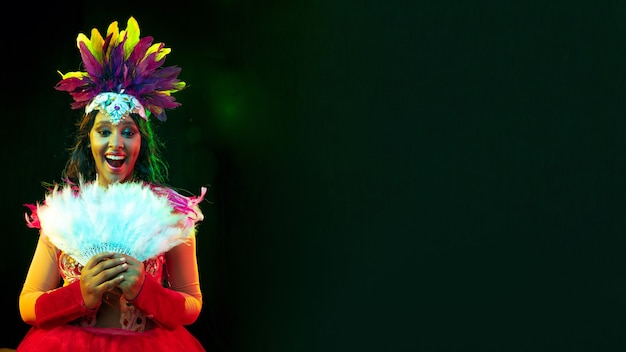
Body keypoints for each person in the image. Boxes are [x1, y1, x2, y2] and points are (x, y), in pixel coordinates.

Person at [16, 16, 207, 352]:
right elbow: (27, 304)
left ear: (141, 142)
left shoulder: (171, 215)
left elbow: (192, 305)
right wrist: (81, 294)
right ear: (88, 139)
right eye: (104, 131)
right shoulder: (63, 214)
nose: (116, 144)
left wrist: (145, 291)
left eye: (128, 133)